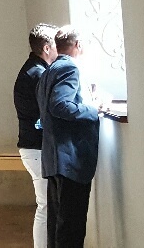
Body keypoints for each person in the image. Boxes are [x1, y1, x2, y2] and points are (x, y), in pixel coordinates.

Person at [37, 26, 103, 248]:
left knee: (58, 225)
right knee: (71, 229)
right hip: (70, 159)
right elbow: (60, 105)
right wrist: (93, 109)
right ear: (78, 45)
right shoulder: (69, 68)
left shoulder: (48, 70)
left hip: (54, 157)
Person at [14, 23, 58, 248]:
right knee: (46, 207)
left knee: (48, 206)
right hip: (36, 148)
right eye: (57, 45)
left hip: (34, 147)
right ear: (47, 48)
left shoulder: (33, 69)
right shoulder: (38, 74)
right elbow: (52, 111)